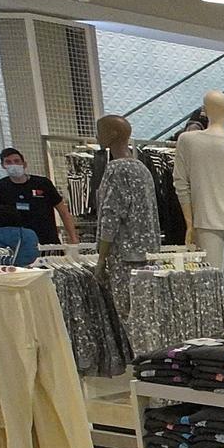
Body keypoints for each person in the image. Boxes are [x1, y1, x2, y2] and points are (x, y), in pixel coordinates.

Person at [94, 113, 161, 322]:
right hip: (149, 256)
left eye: (100, 131)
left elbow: (110, 216)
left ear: (113, 134)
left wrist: (102, 258)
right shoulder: (142, 169)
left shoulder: (117, 169)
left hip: (124, 257)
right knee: (147, 318)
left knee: (128, 316)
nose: (97, 137)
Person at [0, 146, 80, 254]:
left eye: (16, 161)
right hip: (18, 244)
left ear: (24, 164)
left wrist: (73, 238)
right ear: (3, 166)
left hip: (47, 241)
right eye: (8, 162)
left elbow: (63, 211)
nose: (13, 164)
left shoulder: (43, 183)